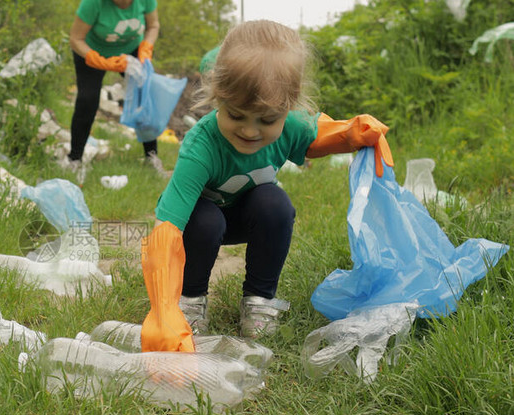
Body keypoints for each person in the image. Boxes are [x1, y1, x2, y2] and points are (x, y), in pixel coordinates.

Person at [139, 20, 394, 351]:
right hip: (198, 223)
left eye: (267, 120)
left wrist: (354, 133)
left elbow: (316, 138)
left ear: (288, 108)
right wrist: (164, 308)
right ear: (218, 98)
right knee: (206, 219)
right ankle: (189, 300)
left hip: (249, 218)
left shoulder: (290, 125)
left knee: (274, 203)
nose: (250, 130)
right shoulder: (201, 146)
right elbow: (167, 228)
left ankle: (259, 300)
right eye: (236, 115)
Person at [68, 0, 161, 170]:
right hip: (91, 50)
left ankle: (151, 156)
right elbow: (76, 38)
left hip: (132, 49)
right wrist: (98, 60)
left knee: (144, 96)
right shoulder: (93, 3)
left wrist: (147, 46)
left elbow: (153, 26)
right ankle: (74, 159)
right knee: (87, 100)